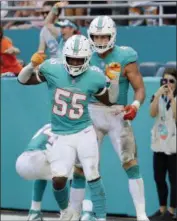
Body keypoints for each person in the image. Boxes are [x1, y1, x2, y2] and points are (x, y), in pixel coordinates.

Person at [17, 35, 117, 221]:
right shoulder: (52, 68)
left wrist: (115, 81)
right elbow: (22, 80)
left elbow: (109, 101)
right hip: (61, 134)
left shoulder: (95, 75)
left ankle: (101, 217)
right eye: (71, 58)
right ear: (64, 56)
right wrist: (31, 65)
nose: (75, 62)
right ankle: (66, 211)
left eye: (79, 59)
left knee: (92, 173)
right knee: (58, 179)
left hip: (84, 131)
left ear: (87, 58)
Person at [81, 16, 149, 221]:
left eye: (104, 36)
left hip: (117, 113)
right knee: (85, 164)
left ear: (112, 36)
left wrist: (135, 106)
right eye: (96, 36)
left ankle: (141, 214)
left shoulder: (126, 56)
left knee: (130, 162)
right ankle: (84, 211)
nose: (100, 41)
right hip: (91, 111)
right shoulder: (84, 54)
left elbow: (140, 89)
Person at [16, 123, 86, 221]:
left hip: (22, 161)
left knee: (43, 173)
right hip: (41, 158)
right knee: (79, 173)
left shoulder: (49, 124)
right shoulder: (71, 129)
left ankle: (34, 211)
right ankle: (70, 213)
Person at [150, 68, 176, 221]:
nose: (167, 84)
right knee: (159, 178)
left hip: (174, 145)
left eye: (171, 81)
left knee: (174, 180)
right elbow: (152, 113)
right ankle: (162, 209)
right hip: (159, 143)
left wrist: (172, 98)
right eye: (164, 81)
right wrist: (158, 96)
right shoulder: (158, 96)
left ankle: (171, 212)